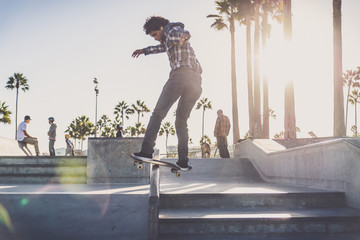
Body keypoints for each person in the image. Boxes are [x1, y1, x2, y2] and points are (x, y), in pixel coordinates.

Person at [131, 16, 202, 170]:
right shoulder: (167, 39)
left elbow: (183, 33)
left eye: (154, 35)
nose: (155, 39)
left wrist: (182, 36)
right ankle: (183, 161)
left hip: (180, 76)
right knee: (181, 122)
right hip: (196, 82)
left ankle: (146, 151)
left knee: (158, 113)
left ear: (161, 28)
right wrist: (144, 51)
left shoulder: (170, 30)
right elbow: (161, 47)